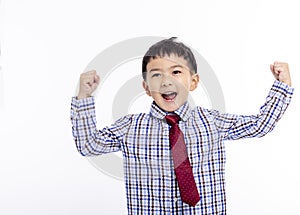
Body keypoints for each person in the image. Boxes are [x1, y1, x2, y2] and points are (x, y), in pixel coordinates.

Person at [70, 37, 293, 214]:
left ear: (193, 82)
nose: (167, 81)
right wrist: (84, 97)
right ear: (146, 87)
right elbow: (89, 146)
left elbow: (259, 125)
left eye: (176, 72)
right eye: (156, 75)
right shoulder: (130, 128)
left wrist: (282, 86)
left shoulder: (212, 121)